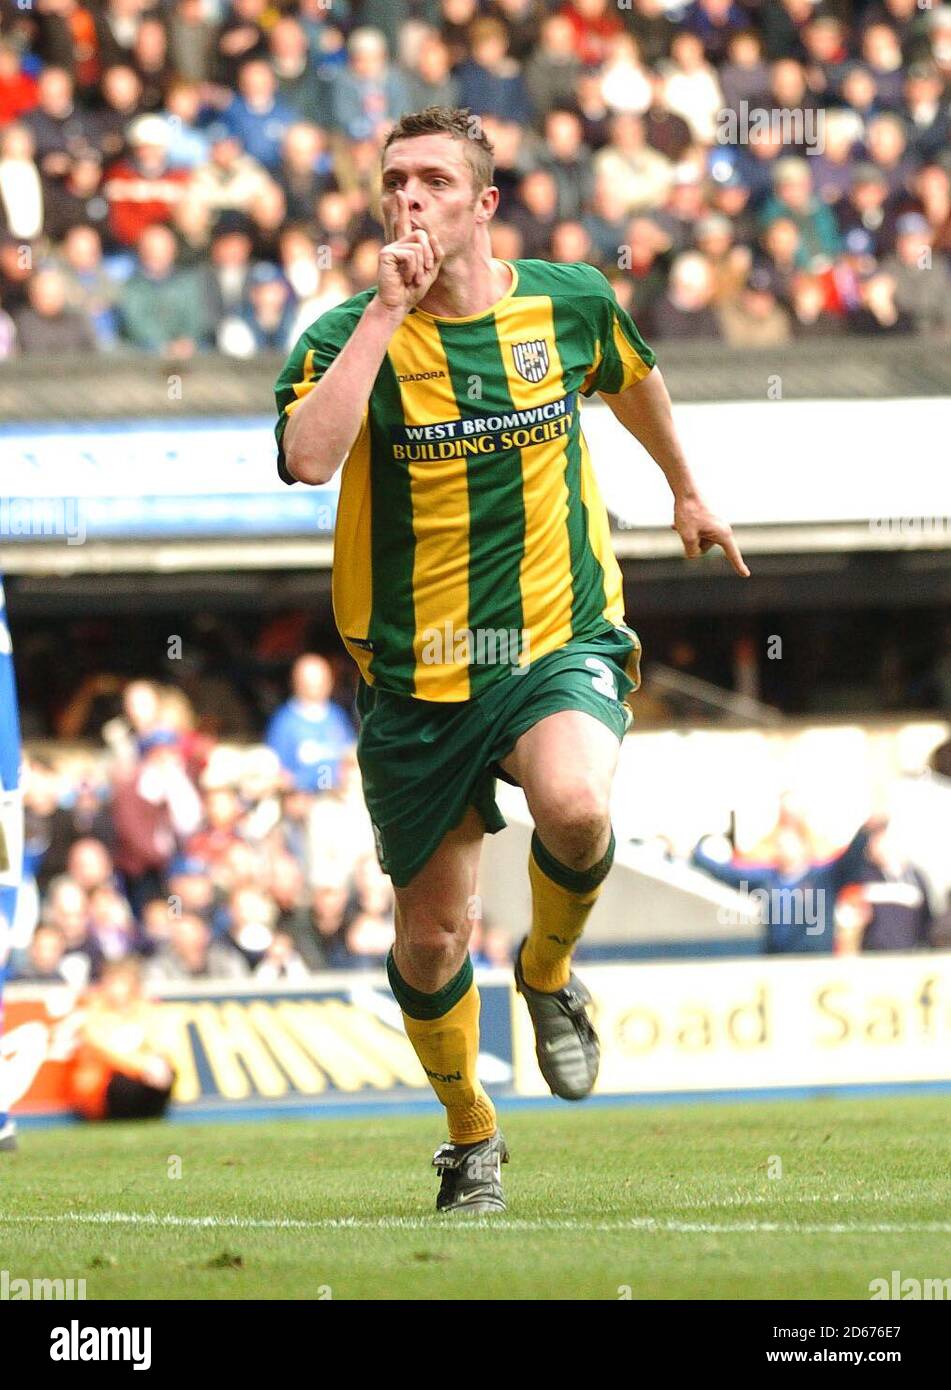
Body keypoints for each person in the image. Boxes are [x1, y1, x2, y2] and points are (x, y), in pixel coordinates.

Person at [274, 106, 748, 1214]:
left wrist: (683, 483)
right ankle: (471, 1133)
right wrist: (386, 313)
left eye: (435, 180)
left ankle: (544, 973)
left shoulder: (567, 303)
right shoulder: (347, 334)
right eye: (394, 182)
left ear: (484, 203)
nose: (409, 200)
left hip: (554, 636)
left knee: (577, 805)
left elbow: (630, 370)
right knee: (434, 941)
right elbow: (306, 458)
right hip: (418, 677)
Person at [70, 959, 175, 1121]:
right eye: (113, 983)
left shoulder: (143, 1009)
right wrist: (142, 1066)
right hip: (100, 1086)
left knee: (167, 1071)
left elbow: (157, 1041)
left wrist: (157, 1062)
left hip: (141, 1077)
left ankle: (151, 1116)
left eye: (123, 983)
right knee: (124, 1082)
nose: (118, 990)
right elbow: (104, 1051)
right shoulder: (92, 1011)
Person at [264, 653, 355, 792]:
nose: (317, 687)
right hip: (303, 799)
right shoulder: (284, 722)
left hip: (340, 794)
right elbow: (277, 773)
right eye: (310, 683)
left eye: (322, 681)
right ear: (296, 683)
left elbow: (350, 754)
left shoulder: (337, 715)